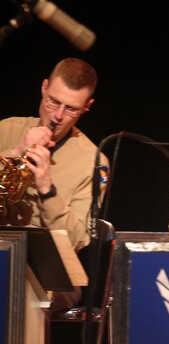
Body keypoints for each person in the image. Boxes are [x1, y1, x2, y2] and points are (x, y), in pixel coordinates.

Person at [0, 57, 109, 311]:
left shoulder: (93, 162)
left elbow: (77, 240)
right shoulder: (7, 129)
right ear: (43, 87)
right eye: (53, 102)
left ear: (87, 107)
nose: (58, 116)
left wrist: (47, 189)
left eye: (71, 109)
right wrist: (15, 153)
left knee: (22, 292)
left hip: (51, 273)